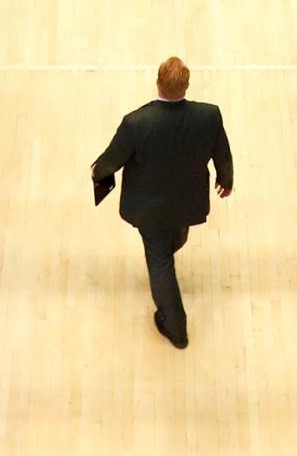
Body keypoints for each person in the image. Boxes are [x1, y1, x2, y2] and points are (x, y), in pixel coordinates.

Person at [90, 57, 233, 351]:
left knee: (160, 262)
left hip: (149, 206)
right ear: (187, 86)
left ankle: (176, 327)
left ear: (157, 82)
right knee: (175, 238)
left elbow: (113, 159)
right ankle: (167, 254)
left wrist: (98, 171)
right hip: (187, 201)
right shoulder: (208, 116)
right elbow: (222, 150)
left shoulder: (136, 123)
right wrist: (225, 179)